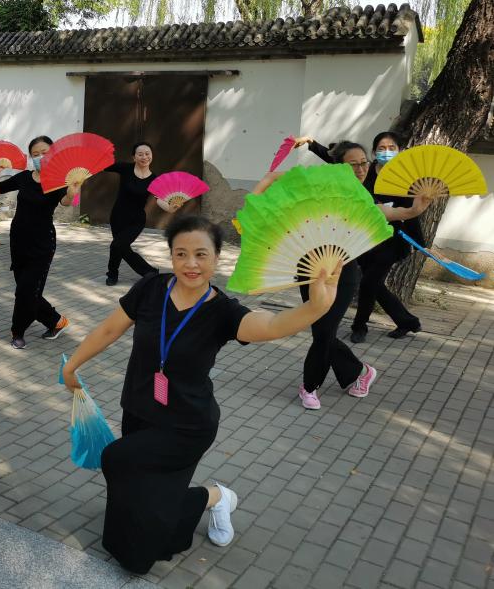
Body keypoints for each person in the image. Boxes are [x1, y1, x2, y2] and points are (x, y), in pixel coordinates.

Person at [61, 215, 338, 575]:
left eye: (201, 254)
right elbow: (109, 329)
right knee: (144, 491)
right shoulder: (151, 288)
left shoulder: (223, 311)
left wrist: (315, 308)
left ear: (217, 258)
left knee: (117, 460)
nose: (190, 263)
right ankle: (203, 502)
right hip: (139, 410)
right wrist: (72, 366)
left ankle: (213, 496)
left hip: (186, 425)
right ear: (171, 256)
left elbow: (269, 326)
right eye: (181, 254)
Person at [295, 134, 431, 342]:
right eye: (382, 148)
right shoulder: (365, 171)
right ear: (374, 152)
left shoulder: (405, 179)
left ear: (399, 150)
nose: (387, 151)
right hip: (365, 240)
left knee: (368, 283)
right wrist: (311, 143)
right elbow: (338, 160)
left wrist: (421, 245)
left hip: (391, 241)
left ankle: (359, 327)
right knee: (374, 285)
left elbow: (410, 214)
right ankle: (408, 321)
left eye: (392, 147)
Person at [0, 135, 77, 349]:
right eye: (35, 154)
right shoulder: (24, 177)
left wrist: (72, 192)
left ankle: (17, 331)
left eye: (45, 153)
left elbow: (65, 202)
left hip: (43, 243)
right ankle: (56, 321)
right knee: (27, 290)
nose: (40, 157)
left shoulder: (58, 181)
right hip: (18, 240)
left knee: (25, 291)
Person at [103, 142, 159, 286]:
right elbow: (103, 165)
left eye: (147, 153)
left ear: (151, 156)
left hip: (136, 220)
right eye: (140, 154)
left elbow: (161, 201)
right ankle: (115, 274)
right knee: (120, 246)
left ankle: (148, 272)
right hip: (118, 216)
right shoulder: (125, 168)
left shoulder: (154, 179)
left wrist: (172, 207)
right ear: (134, 157)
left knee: (117, 245)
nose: (144, 157)